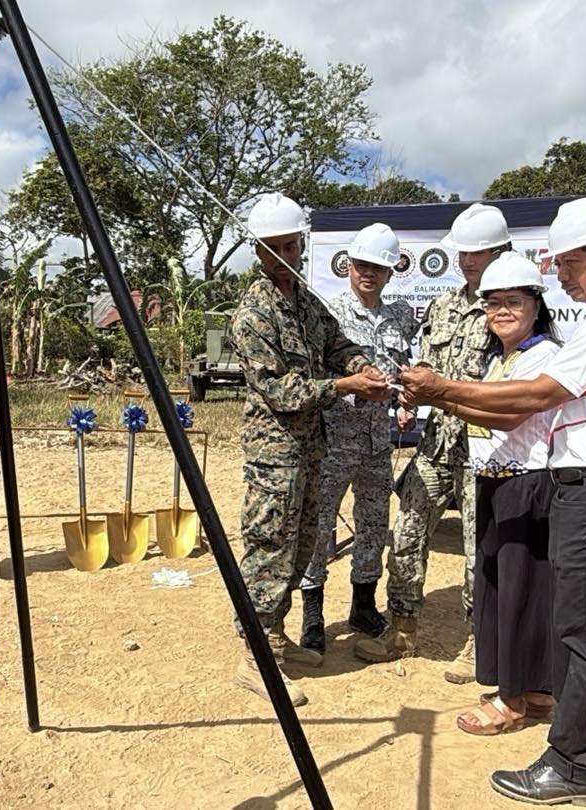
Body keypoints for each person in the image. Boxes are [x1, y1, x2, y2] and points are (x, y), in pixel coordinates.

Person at [401, 197, 586, 805]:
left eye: (570, 262)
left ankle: (573, 765)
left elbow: (536, 395)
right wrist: (442, 397)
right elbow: (519, 401)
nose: (562, 274)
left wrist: (439, 386)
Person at [229, 192, 392, 707]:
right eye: (272, 249)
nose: (283, 257)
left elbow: (336, 342)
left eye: (290, 246)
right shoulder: (252, 316)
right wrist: (346, 386)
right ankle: (255, 657)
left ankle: (276, 638)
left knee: (302, 545)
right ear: (257, 251)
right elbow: (282, 390)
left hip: (310, 450)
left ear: (302, 244)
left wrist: (362, 362)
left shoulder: (302, 298)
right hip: (274, 453)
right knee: (267, 549)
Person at [355, 203, 510, 685]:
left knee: (479, 549)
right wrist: (408, 396)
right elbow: (422, 362)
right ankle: (401, 631)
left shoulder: (511, 308)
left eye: (476, 253)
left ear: (502, 251)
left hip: (485, 450)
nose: (466, 261)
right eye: (461, 253)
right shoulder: (443, 305)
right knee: (405, 535)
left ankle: (477, 642)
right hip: (436, 443)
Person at [449, 253, 562, 737]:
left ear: (536, 305)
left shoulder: (544, 356)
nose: (501, 312)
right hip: (495, 480)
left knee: (518, 593)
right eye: (492, 303)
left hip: (526, 483)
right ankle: (535, 688)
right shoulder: (497, 358)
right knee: (507, 587)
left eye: (513, 301)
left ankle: (510, 702)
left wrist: (442, 395)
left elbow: (510, 415)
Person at [299, 223, 419, 657]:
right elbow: (315, 376)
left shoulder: (400, 316)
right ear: (349, 266)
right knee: (319, 524)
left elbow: (404, 368)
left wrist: (407, 403)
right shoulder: (327, 315)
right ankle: (312, 612)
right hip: (333, 439)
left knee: (374, 523)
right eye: (363, 265)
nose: (369, 273)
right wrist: (351, 384)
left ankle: (363, 605)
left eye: (379, 267)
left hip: (377, 442)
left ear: (391, 272)